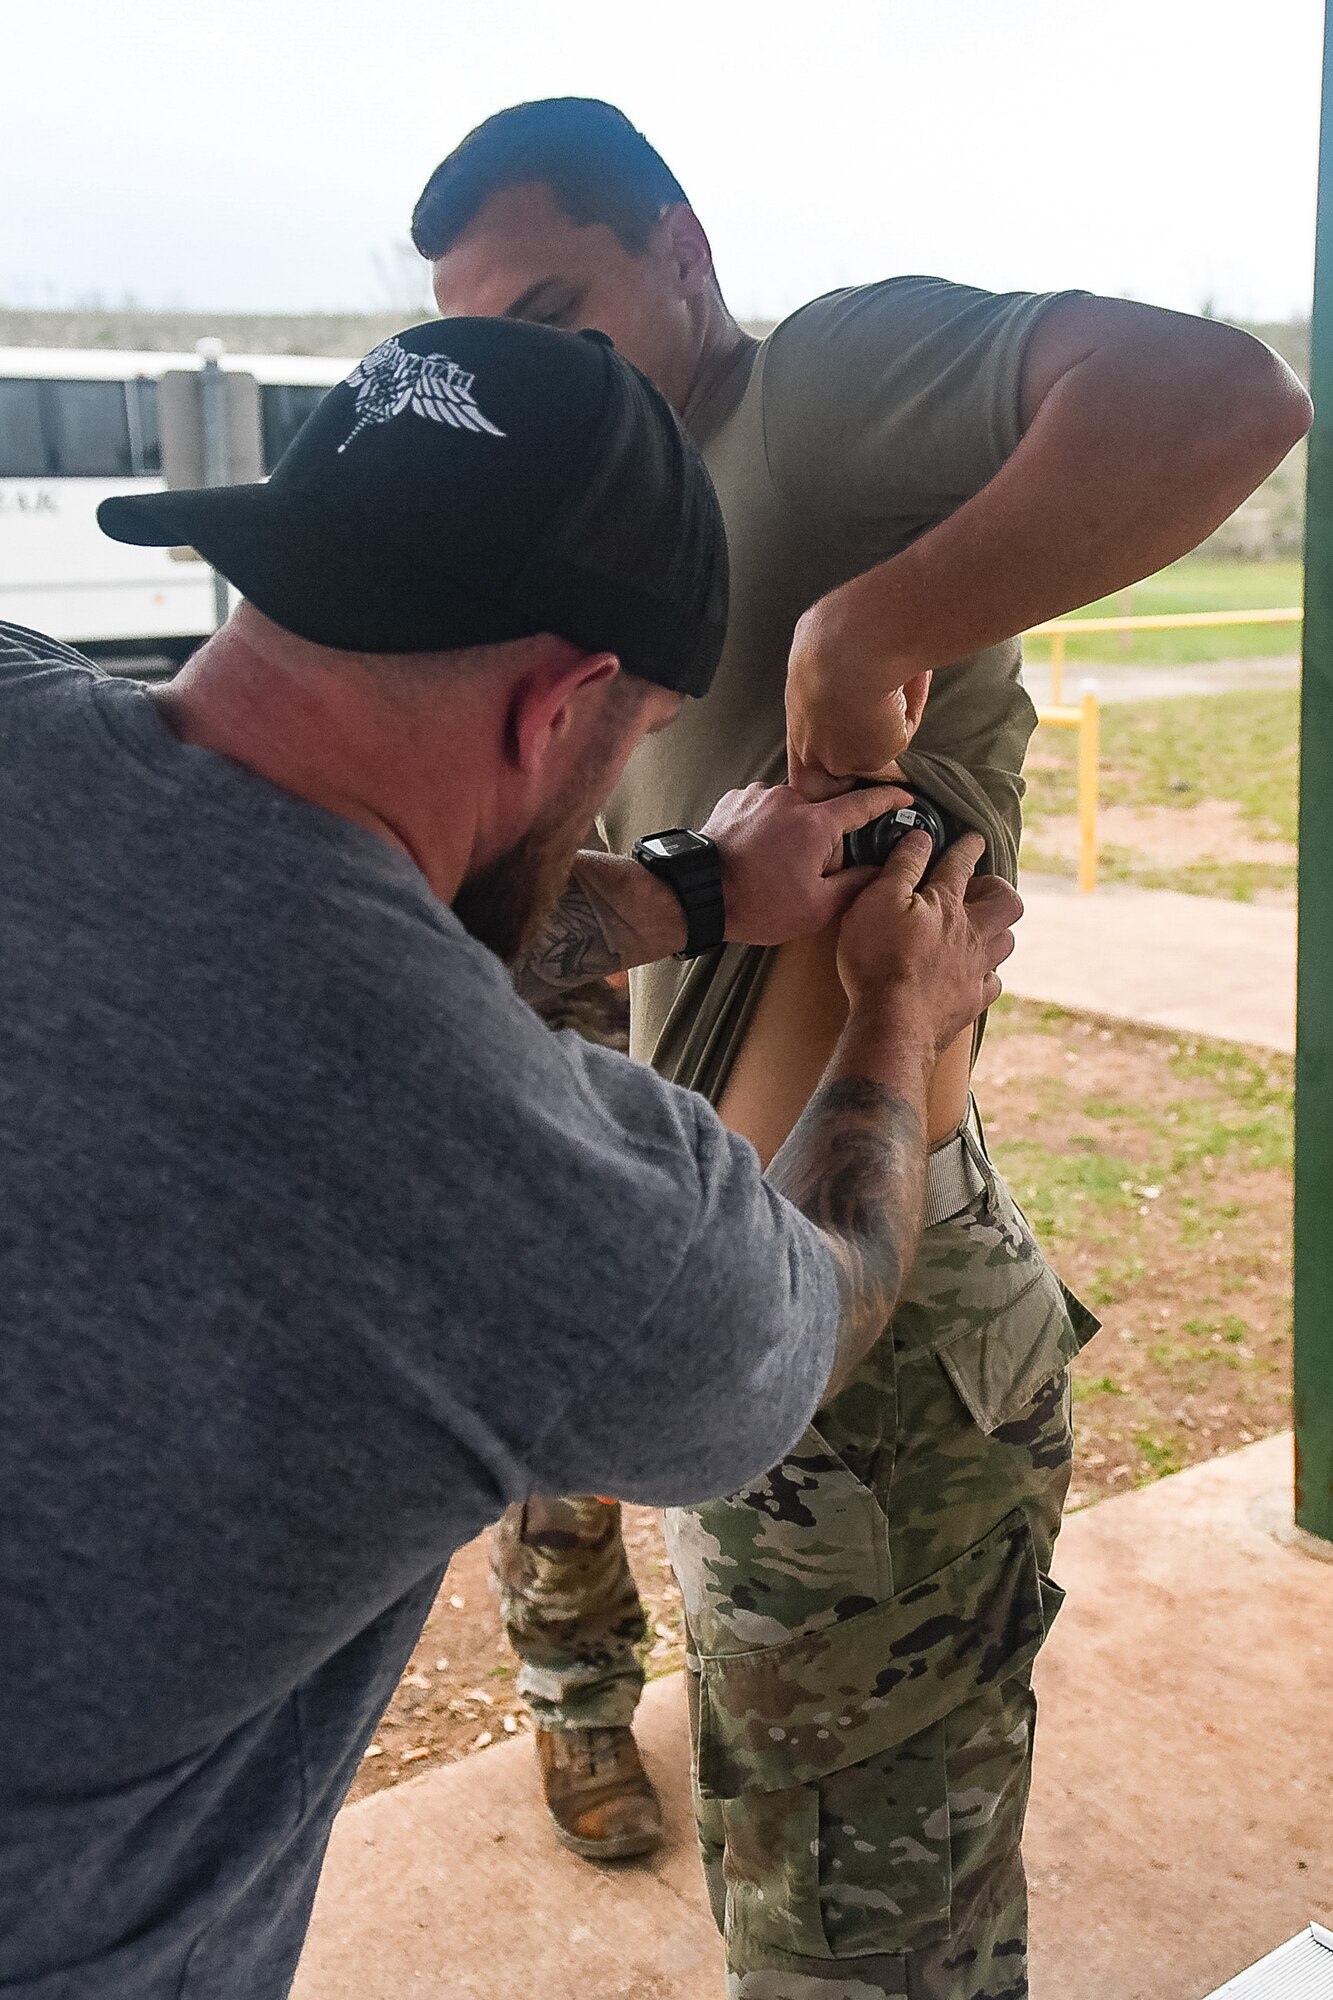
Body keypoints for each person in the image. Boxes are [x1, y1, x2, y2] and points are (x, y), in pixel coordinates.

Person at [0, 315, 1022, 2000]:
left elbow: (273, 896)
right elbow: (815, 1307)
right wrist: (894, 1019)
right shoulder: (527, 1196)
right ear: (566, 707)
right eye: (626, 749)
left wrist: (690, 888)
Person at [415, 101, 1312, 1997]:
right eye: (495, 338)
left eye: (564, 305)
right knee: (795, 1888)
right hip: (752, 1304)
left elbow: (1219, 398)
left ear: (682, 249)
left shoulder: (808, 394)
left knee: (857, 1948)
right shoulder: (621, 508)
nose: (539, 368)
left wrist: (870, 622)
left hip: (871, 1361)